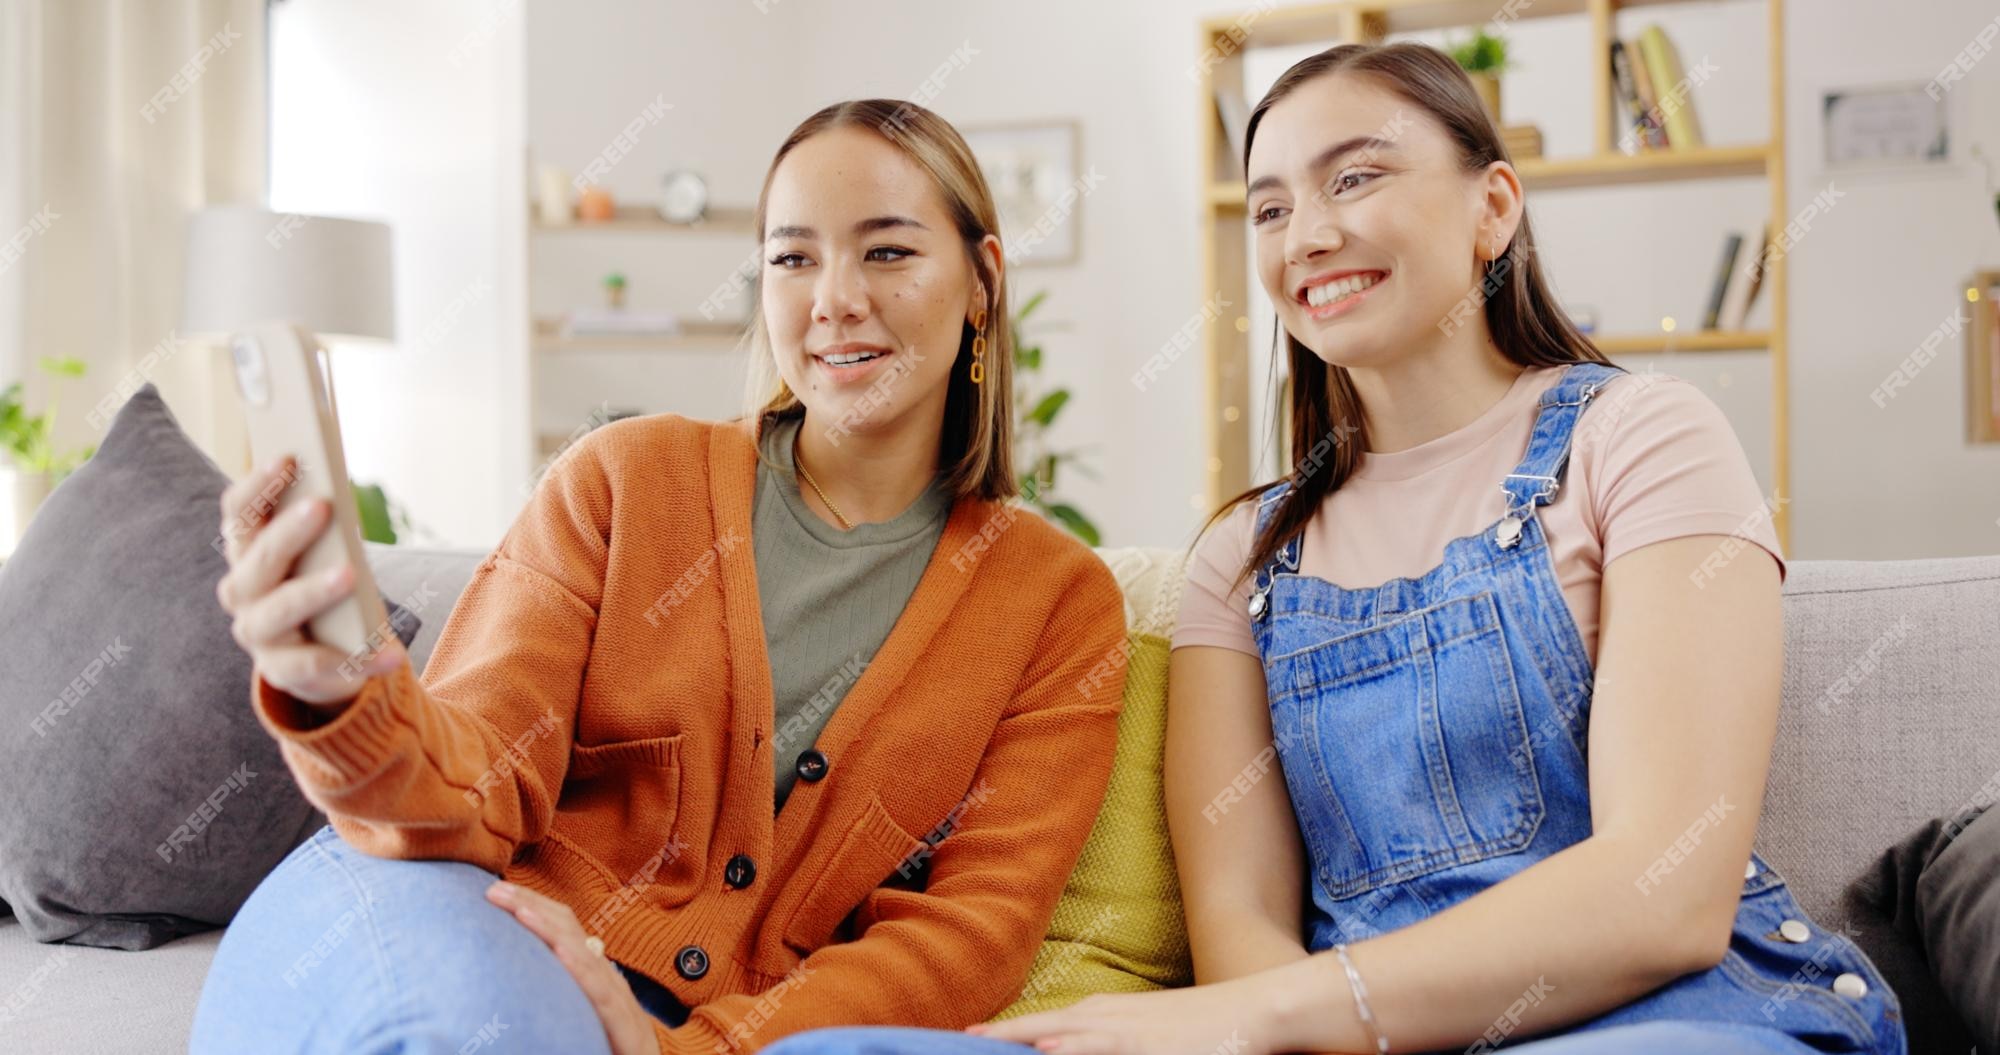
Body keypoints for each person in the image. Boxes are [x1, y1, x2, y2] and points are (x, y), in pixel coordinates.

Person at [764, 42, 1904, 1055]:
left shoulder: (1639, 439)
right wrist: (1276, 1014)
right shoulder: (1245, 558)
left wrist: (1283, 1013)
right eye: (1267, 208)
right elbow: (1240, 935)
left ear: (1491, 206)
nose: (1307, 234)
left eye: (1354, 178)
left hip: (1677, 1017)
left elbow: (1664, 891)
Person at [191, 98, 1128, 1055]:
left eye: (886, 252)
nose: (833, 298)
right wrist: (350, 694)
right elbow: (479, 778)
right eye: (792, 257)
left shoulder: (1056, 601)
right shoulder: (624, 478)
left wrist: (692, 1048)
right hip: (502, 925)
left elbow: (968, 935)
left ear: (982, 282)